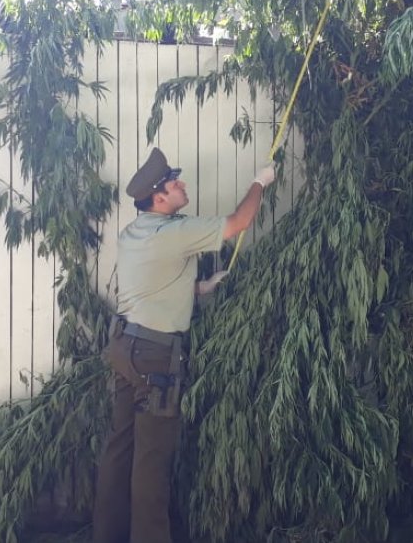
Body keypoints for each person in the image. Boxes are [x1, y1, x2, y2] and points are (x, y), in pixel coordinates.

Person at [93, 146, 276, 543]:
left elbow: (153, 280)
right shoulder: (174, 232)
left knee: (119, 449)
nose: (183, 185)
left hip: (125, 348)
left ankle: (106, 536)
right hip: (156, 357)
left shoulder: (135, 232)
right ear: (159, 196)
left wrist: (199, 288)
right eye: (175, 183)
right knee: (151, 461)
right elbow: (239, 221)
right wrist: (260, 182)